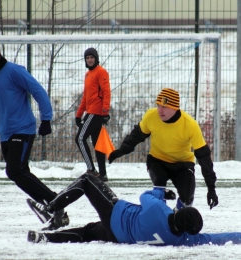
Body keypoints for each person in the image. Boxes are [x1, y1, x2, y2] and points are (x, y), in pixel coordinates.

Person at [0, 36, 69, 230]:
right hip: (5, 132)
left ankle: (56, 202)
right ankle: (51, 207)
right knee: (18, 173)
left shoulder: (14, 71)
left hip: (23, 128)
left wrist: (46, 118)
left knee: (14, 170)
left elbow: (37, 90)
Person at [27, 173, 241, 246]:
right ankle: (45, 238)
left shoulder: (158, 210)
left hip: (115, 213)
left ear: (177, 212)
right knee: (87, 232)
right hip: (118, 237)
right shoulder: (182, 240)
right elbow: (217, 237)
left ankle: (51, 208)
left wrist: (162, 194)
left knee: (87, 180)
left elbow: (145, 196)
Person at [108, 88, 218, 211]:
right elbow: (137, 135)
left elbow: (204, 157)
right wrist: (122, 150)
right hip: (157, 160)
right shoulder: (151, 116)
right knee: (159, 185)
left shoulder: (190, 125)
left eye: (165, 107)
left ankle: (179, 215)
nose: (160, 110)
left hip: (182, 164)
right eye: (158, 105)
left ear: (175, 108)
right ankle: (161, 211)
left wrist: (211, 189)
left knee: (187, 199)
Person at [75, 47, 111, 182]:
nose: (90, 60)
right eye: (87, 58)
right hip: (90, 112)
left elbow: (106, 92)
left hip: (96, 113)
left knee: (79, 138)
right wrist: (79, 114)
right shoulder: (88, 74)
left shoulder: (101, 72)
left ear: (96, 59)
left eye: (92, 57)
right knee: (97, 143)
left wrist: (105, 111)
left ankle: (91, 169)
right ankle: (103, 174)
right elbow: (86, 96)